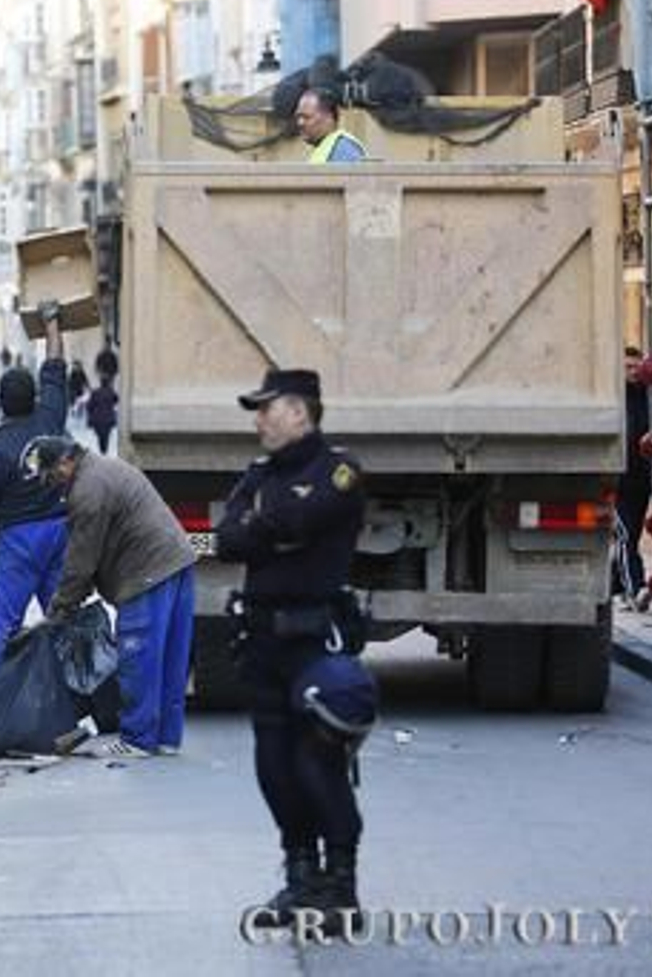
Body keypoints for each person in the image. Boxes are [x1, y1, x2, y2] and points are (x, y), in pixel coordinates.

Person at [213, 368, 368, 934]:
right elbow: (227, 537)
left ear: (300, 413)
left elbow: (305, 517)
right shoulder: (257, 474)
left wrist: (264, 525)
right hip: (260, 640)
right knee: (274, 766)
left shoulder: (340, 471)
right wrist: (266, 528)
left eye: (267, 409)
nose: (258, 420)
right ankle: (301, 876)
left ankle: (340, 888)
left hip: (314, 638)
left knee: (318, 763)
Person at [25, 435, 196, 758]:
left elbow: (81, 562)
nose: (51, 486)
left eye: (50, 476)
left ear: (65, 462)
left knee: (139, 656)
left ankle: (137, 739)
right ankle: (166, 738)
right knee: (170, 658)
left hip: (146, 572)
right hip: (176, 562)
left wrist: (58, 611)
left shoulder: (87, 491)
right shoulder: (105, 469)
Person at [0, 306, 71, 681]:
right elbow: (55, 366)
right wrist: (53, 322)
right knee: (63, 623)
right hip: (60, 532)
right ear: (33, 398)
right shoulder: (50, 418)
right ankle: (81, 695)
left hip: (19, 542)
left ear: (2, 404)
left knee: (3, 626)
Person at [295, 89, 367, 164]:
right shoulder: (326, 148)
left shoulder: (344, 150)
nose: (300, 123)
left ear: (329, 117)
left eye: (307, 117)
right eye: (298, 116)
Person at [87, 374, 119, 455]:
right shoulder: (111, 392)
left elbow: (90, 405)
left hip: (97, 418)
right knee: (106, 437)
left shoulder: (95, 392)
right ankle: (104, 451)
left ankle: (102, 451)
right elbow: (116, 400)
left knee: (100, 436)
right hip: (108, 418)